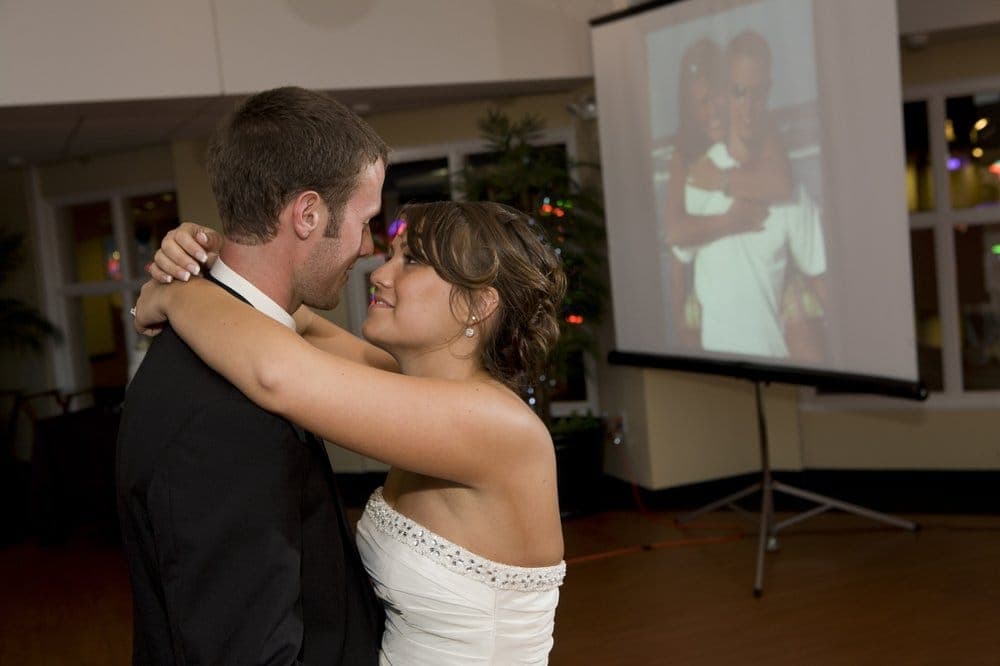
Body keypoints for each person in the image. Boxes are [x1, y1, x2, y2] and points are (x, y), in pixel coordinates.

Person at [139, 200, 568, 664]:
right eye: (393, 254)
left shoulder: (496, 427)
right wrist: (214, 254)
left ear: (477, 305)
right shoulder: (415, 391)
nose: (381, 275)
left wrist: (173, 296)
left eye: (413, 261)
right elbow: (297, 324)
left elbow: (275, 374)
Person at [116, 86, 390, 664]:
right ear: (308, 213)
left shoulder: (221, 337)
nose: (368, 247)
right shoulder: (223, 412)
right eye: (366, 221)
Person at [668, 30, 826, 359]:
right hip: (713, 355)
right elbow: (676, 240)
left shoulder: (777, 162)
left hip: (778, 348)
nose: (716, 109)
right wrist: (732, 220)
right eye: (738, 93)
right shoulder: (692, 168)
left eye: (756, 93)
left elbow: (782, 186)